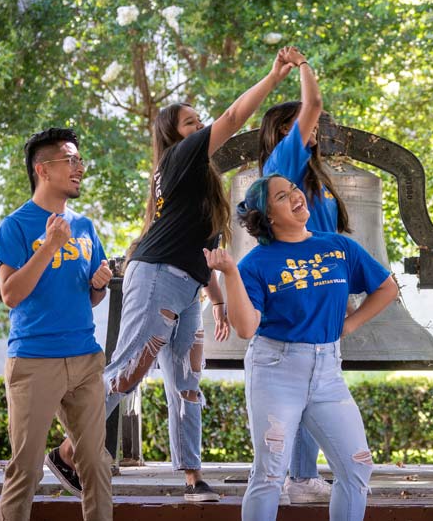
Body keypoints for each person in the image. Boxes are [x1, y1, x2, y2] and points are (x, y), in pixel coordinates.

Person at [51, 49, 297, 502]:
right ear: (174, 134)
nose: (200, 127)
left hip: (186, 285)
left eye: (198, 122)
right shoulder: (181, 157)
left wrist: (218, 298)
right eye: (191, 122)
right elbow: (233, 115)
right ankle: (69, 452)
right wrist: (273, 77)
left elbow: (198, 245)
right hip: (158, 277)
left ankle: (191, 475)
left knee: (186, 382)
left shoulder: (192, 180)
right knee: (127, 370)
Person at [205, 173, 398, 521]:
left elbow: (387, 287)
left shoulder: (338, 247)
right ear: (268, 217)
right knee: (269, 474)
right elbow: (247, 327)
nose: (296, 196)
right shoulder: (254, 264)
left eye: (294, 189)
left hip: (328, 373)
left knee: (357, 467)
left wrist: (349, 325)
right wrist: (230, 275)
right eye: (282, 196)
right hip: (276, 371)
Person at [0, 128, 112, 521]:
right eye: (71, 160)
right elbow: (10, 294)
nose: (80, 168)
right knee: (24, 471)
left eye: (80, 160)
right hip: (34, 361)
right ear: (43, 169)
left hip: (84, 360)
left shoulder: (86, 226)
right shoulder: (16, 225)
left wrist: (99, 285)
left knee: (96, 465)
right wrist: (50, 247)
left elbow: (90, 294)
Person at [256, 47, 352, 504]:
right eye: (305, 125)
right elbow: (312, 106)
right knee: (304, 381)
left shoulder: (311, 177)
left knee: (318, 379)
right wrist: (303, 64)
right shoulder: (282, 165)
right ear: (285, 130)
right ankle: (297, 476)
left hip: (325, 286)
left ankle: (300, 474)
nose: (317, 128)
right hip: (301, 286)